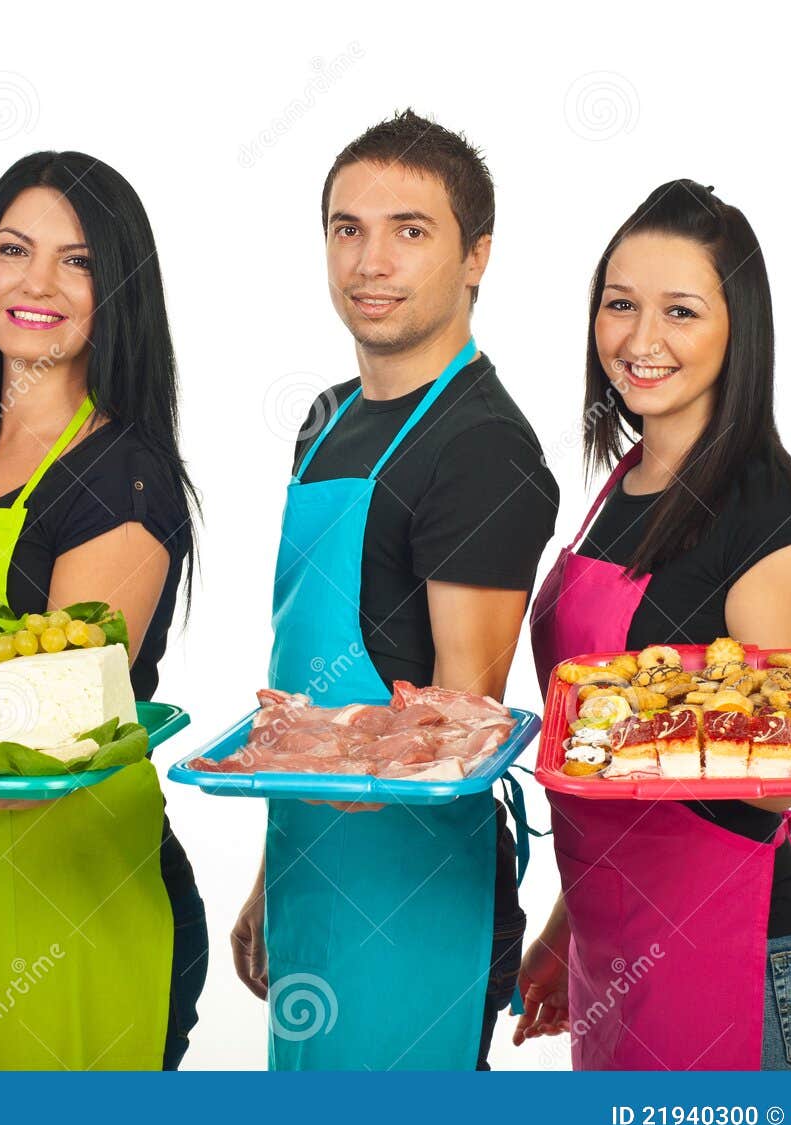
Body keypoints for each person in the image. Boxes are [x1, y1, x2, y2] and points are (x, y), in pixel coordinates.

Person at [229, 110, 558, 1069]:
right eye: (348, 228)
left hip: (414, 890)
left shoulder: (482, 445)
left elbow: (463, 722)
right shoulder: (327, 418)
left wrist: (338, 790)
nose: (370, 262)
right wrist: (274, 867)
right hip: (313, 857)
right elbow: (305, 684)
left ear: (476, 255)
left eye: (410, 230)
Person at [0, 151, 206, 1070]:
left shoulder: (122, 476)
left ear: (118, 291)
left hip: (81, 902)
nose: (37, 283)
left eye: (78, 261)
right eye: (14, 250)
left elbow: (56, 727)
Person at [517, 179, 791, 1071]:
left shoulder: (773, 518)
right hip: (610, 939)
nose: (640, 340)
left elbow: (775, 782)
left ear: (741, 329)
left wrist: (637, 725)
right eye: (620, 304)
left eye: (682, 311)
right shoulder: (623, 485)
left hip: (722, 949)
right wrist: (564, 928)